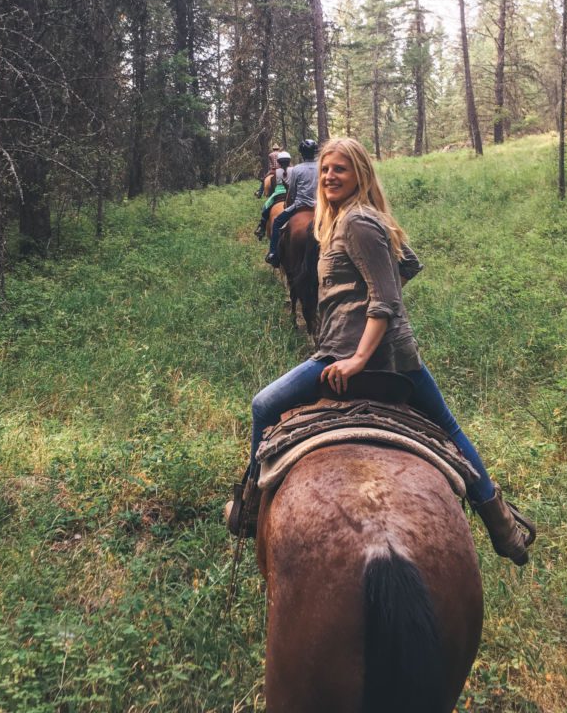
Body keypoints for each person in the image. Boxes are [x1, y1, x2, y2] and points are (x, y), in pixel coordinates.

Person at [228, 136, 535, 565]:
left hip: (351, 354)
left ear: (360, 174)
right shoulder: (352, 219)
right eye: (327, 169)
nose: (330, 176)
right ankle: (503, 528)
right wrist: (362, 295)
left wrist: (357, 356)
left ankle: (248, 510)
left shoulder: (356, 223)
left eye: (341, 169)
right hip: (393, 353)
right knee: (449, 427)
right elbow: (406, 264)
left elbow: (386, 300)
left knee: (264, 405)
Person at [265, 138, 318, 266]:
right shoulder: (321, 167)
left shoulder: (297, 169)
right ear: (315, 152)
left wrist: (290, 200)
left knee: (277, 222)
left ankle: (273, 254)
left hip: (300, 205)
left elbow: (292, 190)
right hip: (318, 206)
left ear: (301, 153)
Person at [254, 151, 292, 240]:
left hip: (278, 193)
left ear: (279, 162)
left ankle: (261, 227)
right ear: (289, 161)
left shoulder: (275, 173)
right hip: (291, 193)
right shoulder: (293, 170)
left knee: (265, 208)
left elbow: (273, 185)